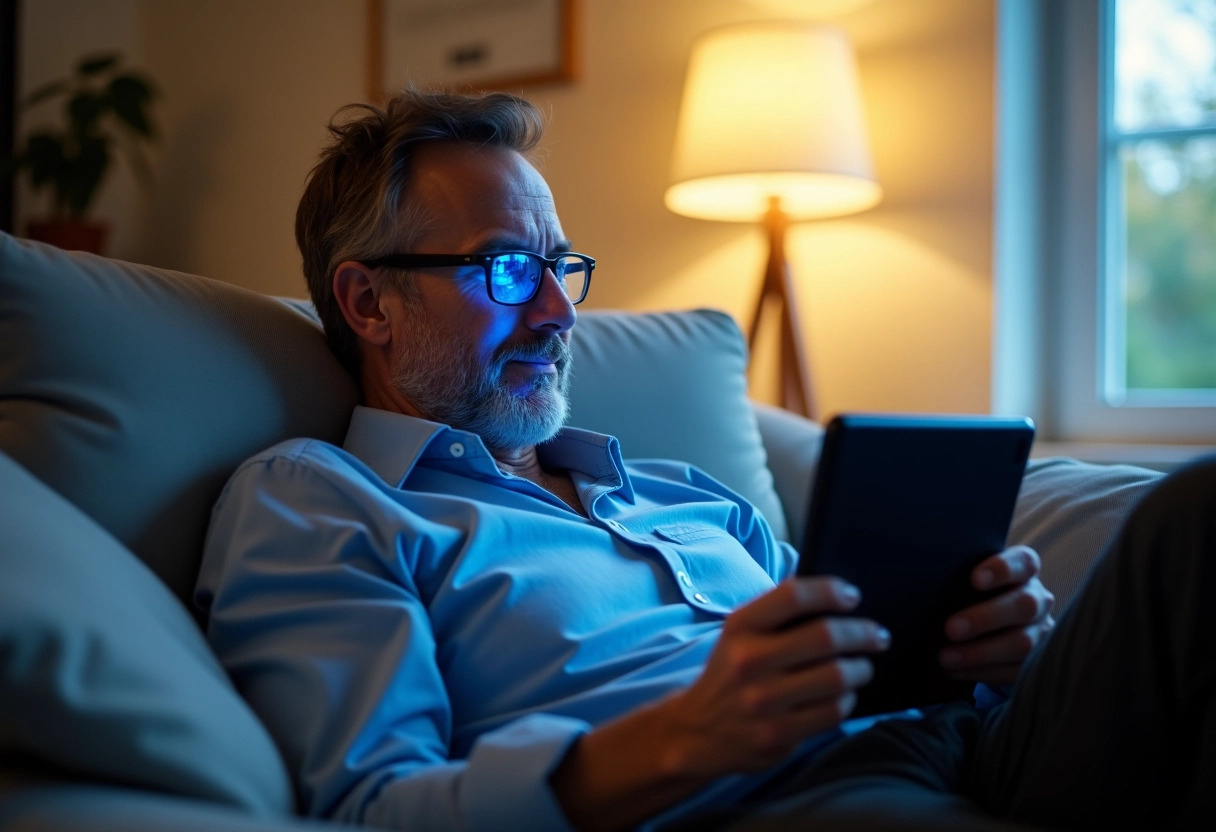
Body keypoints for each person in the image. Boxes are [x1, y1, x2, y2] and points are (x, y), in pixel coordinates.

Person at [195, 88, 1214, 832]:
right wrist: (689, 737)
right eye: (508, 268)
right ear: (368, 301)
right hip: (774, 800)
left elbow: (851, 656)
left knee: (1190, 512)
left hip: (969, 741)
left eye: (560, 267)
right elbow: (372, 805)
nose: (557, 311)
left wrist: (988, 657)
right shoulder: (320, 499)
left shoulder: (681, 493)